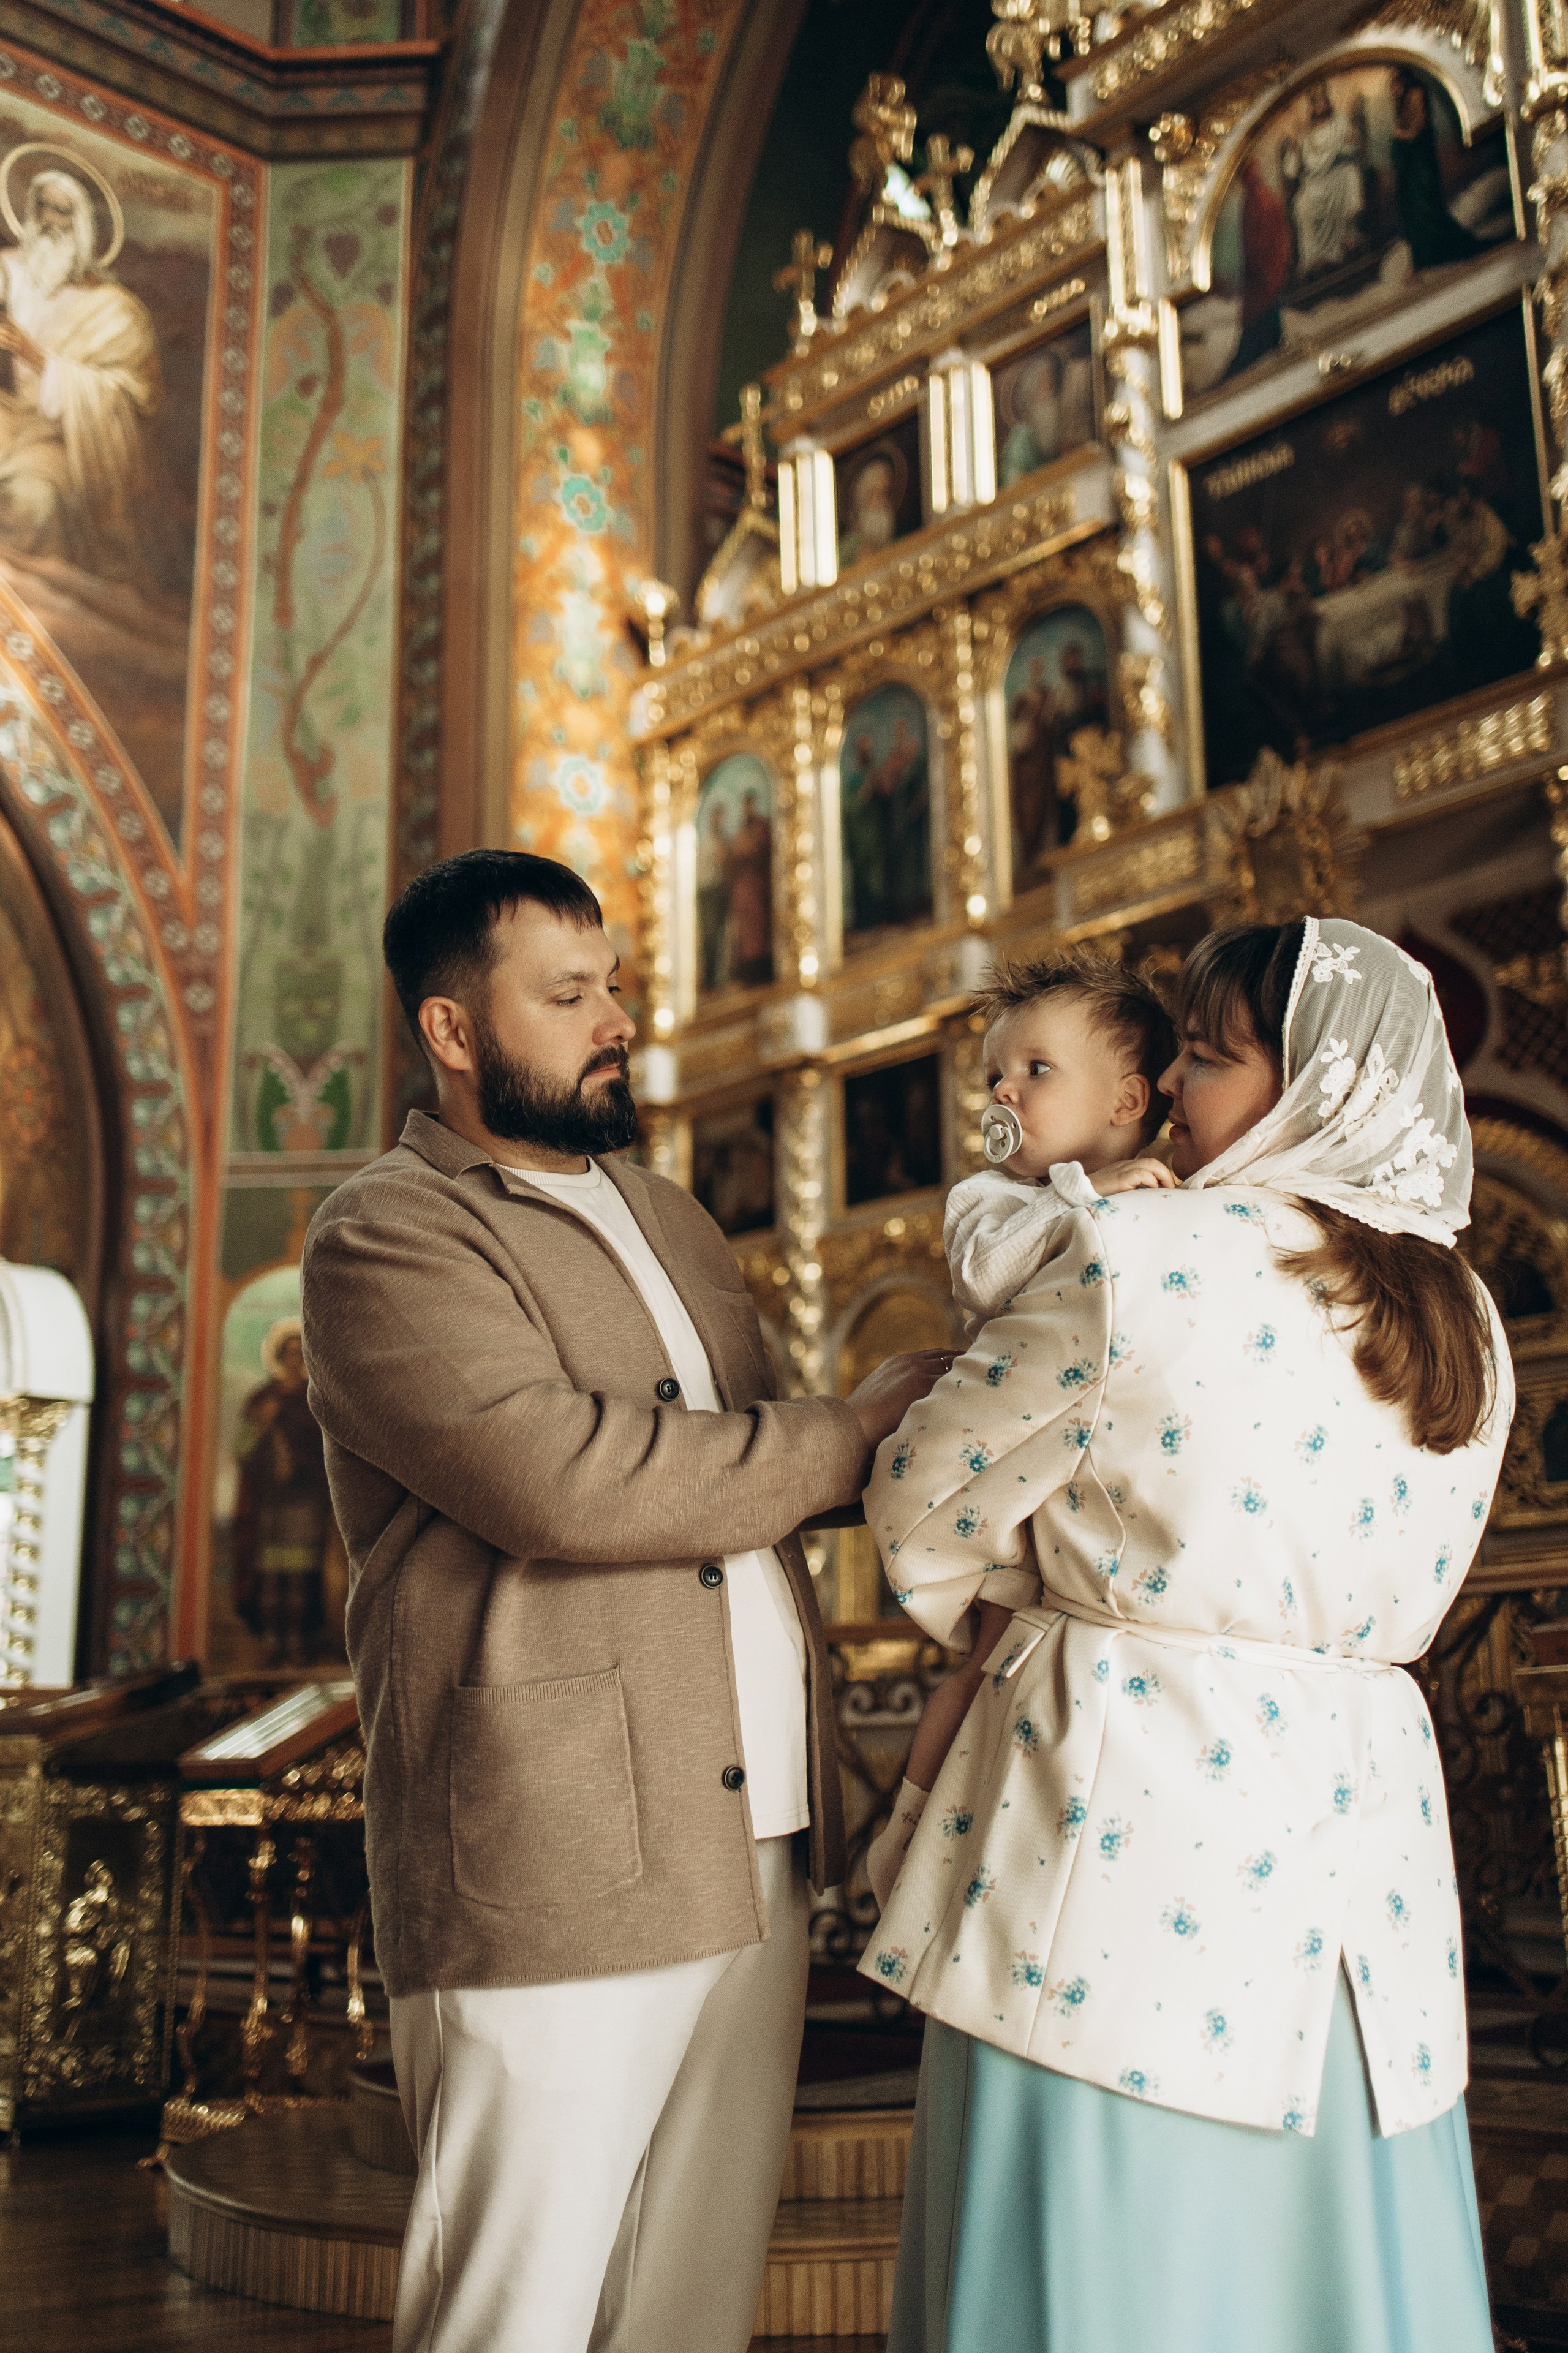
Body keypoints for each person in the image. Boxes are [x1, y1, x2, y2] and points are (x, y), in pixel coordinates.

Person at [299, 849, 946, 2353]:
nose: (616, 1018)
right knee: (514, 2308)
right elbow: (564, 1478)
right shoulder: (387, 1231)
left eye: (615, 985)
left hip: (756, 1833)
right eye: (569, 992)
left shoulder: (670, 1215)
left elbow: (755, 1473)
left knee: (688, 2305)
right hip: (557, 1843)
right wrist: (843, 1433)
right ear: (454, 1029)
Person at [861, 915, 1512, 2353]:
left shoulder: (1138, 1248)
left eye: (1209, 1061)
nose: (1174, 1099)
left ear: (1317, 1086)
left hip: (1117, 1844)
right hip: (1360, 1870)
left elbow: (917, 1493)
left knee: (1105, 2275)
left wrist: (1033, 1571)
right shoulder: (1463, 1312)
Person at [938, 951, 1178, 1345]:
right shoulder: (989, 1198)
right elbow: (980, 1281)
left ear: (1125, 1102)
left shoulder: (1162, 1195)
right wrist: (1076, 1194)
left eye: (1037, 1069)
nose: (1001, 1090)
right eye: (994, 1077)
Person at [0, 167, 160, 581]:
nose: (51, 219)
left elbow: (128, 397)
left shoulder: (113, 309)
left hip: (53, 439)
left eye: (63, 210)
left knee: (28, 504)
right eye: (43, 206)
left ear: (83, 222)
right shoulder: (4, 270)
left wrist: (41, 361)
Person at [230, 1318, 334, 1667]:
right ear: (278, 1356)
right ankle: (271, 1643)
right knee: (271, 1577)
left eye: (298, 1353)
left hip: (305, 1501)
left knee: (301, 1578)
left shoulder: (314, 1400)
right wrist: (263, 1422)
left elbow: (326, 1454)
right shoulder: (262, 1400)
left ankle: (298, 1643)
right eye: (287, 1353)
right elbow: (242, 1450)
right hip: (271, 1503)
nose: (293, 1360)